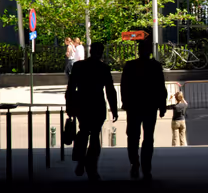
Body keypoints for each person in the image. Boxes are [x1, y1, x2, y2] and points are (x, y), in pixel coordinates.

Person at [65, 42, 118, 180]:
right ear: (101, 52)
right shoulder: (103, 68)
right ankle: (92, 167)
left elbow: (71, 88)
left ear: (90, 50)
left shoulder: (79, 66)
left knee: (83, 132)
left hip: (82, 104)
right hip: (97, 104)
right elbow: (110, 90)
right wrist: (114, 109)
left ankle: (82, 160)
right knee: (95, 136)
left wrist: (69, 106)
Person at [121, 38, 167, 180]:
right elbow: (161, 87)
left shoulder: (130, 66)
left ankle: (134, 163)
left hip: (134, 106)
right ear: (150, 51)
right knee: (148, 137)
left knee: (133, 137)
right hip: (149, 106)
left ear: (139, 51)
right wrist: (162, 105)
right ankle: (146, 167)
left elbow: (124, 87)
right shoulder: (155, 66)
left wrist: (125, 103)